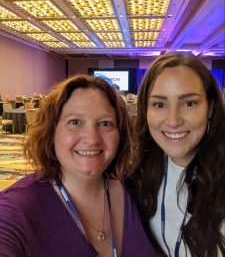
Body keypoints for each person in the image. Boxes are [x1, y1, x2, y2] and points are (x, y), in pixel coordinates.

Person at [0, 74, 160, 257]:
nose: (92, 139)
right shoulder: (17, 209)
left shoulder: (137, 190)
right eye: (75, 122)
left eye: (105, 123)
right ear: (52, 132)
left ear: (120, 134)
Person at [130, 53, 225, 257]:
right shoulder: (141, 173)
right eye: (159, 104)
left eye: (189, 103)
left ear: (210, 108)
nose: (173, 121)